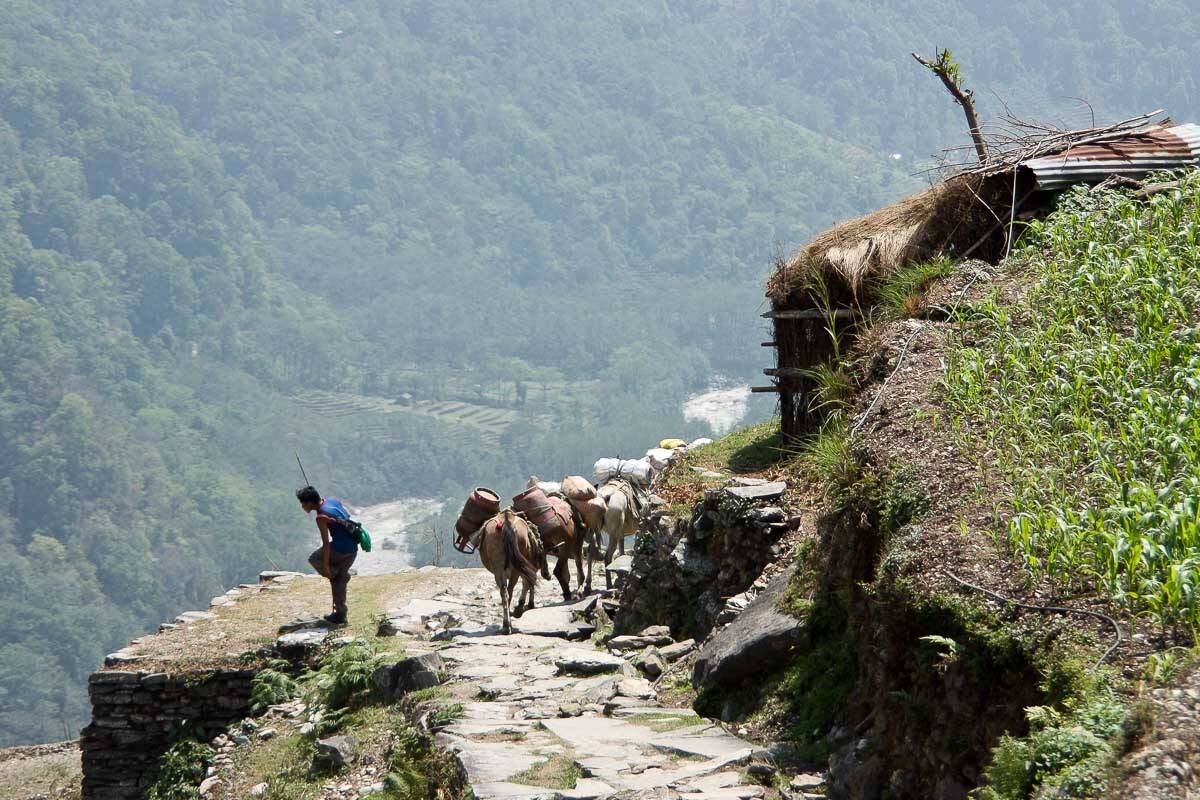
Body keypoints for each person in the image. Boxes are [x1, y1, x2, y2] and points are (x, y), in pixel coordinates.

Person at [296, 485, 358, 625]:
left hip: (340, 549)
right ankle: (340, 614)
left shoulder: (321, 517)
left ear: (309, 503)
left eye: (303, 503)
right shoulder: (332, 501)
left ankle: (337, 575)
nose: (302, 507)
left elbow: (326, 544)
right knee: (339, 581)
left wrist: (325, 567)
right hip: (353, 548)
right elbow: (346, 517)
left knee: (315, 559)